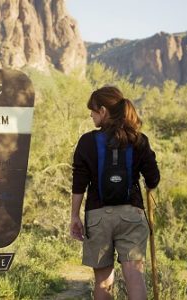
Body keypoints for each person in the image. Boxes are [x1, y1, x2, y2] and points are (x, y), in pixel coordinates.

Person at [70, 86, 160, 300]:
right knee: (135, 276)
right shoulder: (139, 139)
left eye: (92, 111)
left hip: (98, 217)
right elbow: (153, 179)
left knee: (103, 281)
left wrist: (74, 216)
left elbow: (79, 183)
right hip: (132, 215)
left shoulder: (87, 141)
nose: (91, 115)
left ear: (103, 110)